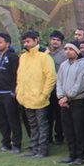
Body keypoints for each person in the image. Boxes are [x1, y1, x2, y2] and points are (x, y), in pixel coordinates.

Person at [16, 30, 57, 158]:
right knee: (32, 125)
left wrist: (44, 95)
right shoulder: (23, 57)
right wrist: (18, 92)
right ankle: (33, 148)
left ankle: (43, 150)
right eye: (24, 42)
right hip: (26, 98)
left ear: (36, 40)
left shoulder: (44, 57)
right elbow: (20, 76)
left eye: (28, 41)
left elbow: (51, 77)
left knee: (42, 125)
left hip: (40, 99)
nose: (26, 44)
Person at [56, 41, 84, 165]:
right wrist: (61, 96)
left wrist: (68, 97)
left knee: (79, 129)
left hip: (78, 101)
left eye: (71, 49)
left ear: (77, 51)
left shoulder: (82, 64)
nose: (68, 51)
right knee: (68, 129)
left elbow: (80, 84)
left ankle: (81, 156)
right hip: (64, 102)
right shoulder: (63, 65)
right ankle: (72, 154)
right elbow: (58, 81)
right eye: (66, 49)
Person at [0, 32, 22, 153]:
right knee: (1, 120)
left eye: (0, 42)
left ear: (7, 44)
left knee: (13, 119)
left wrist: (14, 92)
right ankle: (5, 143)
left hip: (8, 93)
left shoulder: (13, 57)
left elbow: (16, 75)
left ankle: (16, 144)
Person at [47, 30, 67, 145]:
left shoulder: (64, 54)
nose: (55, 42)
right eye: (53, 39)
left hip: (59, 90)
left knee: (59, 115)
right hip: (47, 90)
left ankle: (59, 136)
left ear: (61, 43)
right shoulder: (45, 54)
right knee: (47, 115)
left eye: (58, 40)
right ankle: (48, 137)